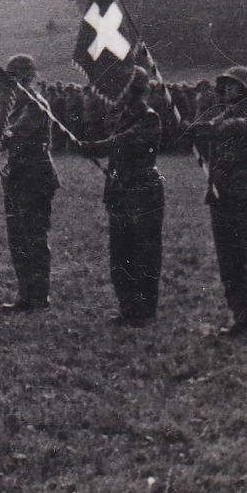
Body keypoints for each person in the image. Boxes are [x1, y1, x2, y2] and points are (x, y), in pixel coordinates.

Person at [188, 66, 247, 338]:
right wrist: (193, 128)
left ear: (246, 88)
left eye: (233, 85)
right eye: (225, 85)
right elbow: (213, 130)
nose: (227, 90)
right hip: (221, 194)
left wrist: (207, 128)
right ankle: (241, 316)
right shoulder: (222, 116)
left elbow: (236, 129)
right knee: (229, 261)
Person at [74, 66, 164, 327]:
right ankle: (127, 306)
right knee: (121, 253)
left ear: (135, 90)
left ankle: (144, 310)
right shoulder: (119, 115)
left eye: (122, 88)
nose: (117, 93)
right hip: (120, 190)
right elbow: (113, 144)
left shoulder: (149, 118)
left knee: (144, 252)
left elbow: (125, 141)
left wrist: (95, 147)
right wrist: (90, 147)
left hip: (143, 190)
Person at [0, 55, 60, 313]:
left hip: (35, 177)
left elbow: (14, 134)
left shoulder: (36, 104)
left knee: (33, 237)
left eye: (15, 77)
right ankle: (26, 296)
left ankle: (39, 297)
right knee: (18, 240)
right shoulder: (17, 105)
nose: (12, 82)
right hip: (17, 176)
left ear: (26, 77)